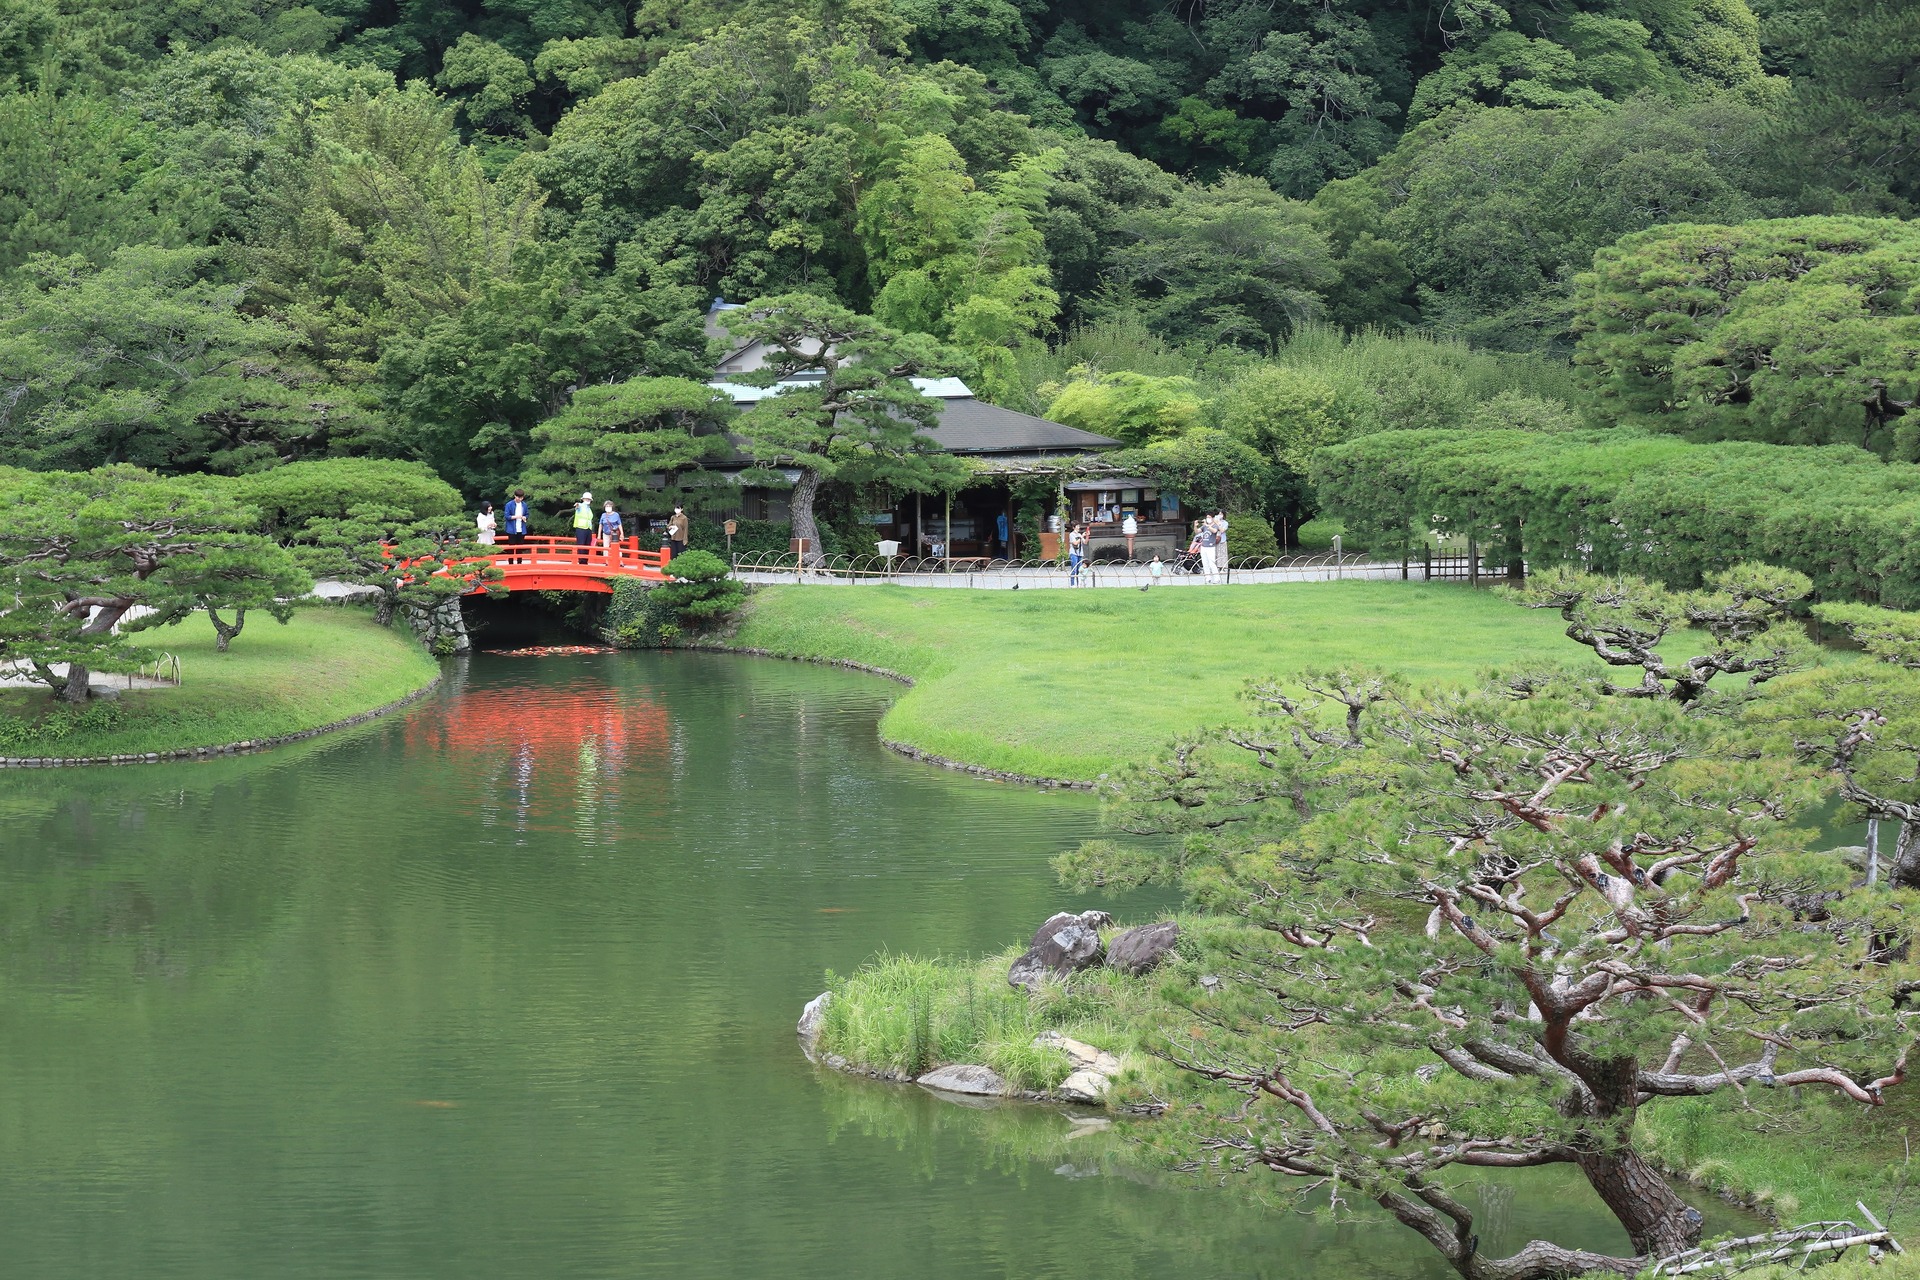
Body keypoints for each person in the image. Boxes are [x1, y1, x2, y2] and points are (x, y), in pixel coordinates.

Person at [503, 489, 529, 563]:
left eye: (521, 497)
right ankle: (510, 563)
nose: (520, 499)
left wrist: (524, 517)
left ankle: (519, 562)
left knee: (520, 548)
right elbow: (507, 516)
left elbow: (527, 514)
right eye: (518, 497)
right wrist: (517, 516)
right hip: (511, 529)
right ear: (515, 496)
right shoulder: (509, 504)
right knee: (511, 547)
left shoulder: (524, 505)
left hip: (521, 528)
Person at [572, 491, 595, 563]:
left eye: (589, 499)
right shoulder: (580, 505)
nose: (587, 500)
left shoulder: (589, 509)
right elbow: (577, 506)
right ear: (583, 499)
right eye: (586, 499)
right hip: (581, 528)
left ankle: (585, 561)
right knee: (581, 544)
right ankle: (581, 561)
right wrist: (577, 505)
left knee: (587, 545)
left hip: (588, 528)